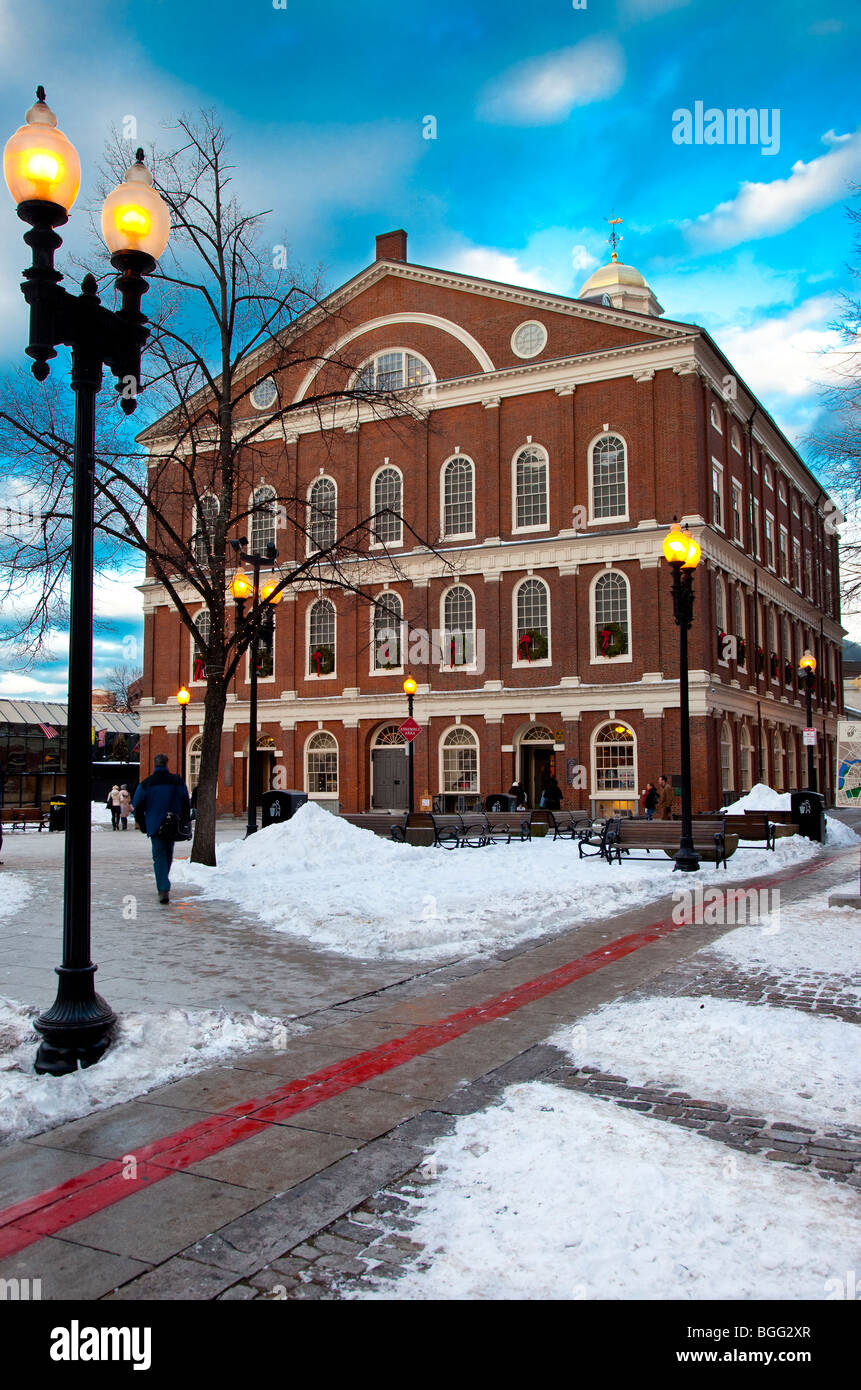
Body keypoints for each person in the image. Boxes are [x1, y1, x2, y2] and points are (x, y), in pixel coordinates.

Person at [132, 754, 191, 904]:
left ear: (154, 764)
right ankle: (164, 883)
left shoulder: (146, 784)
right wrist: (184, 818)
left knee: (158, 856)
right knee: (168, 853)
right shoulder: (177, 781)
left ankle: (163, 887)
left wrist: (142, 823)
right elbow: (186, 801)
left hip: (154, 824)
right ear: (167, 764)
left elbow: (137, 805)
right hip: (173, 823)